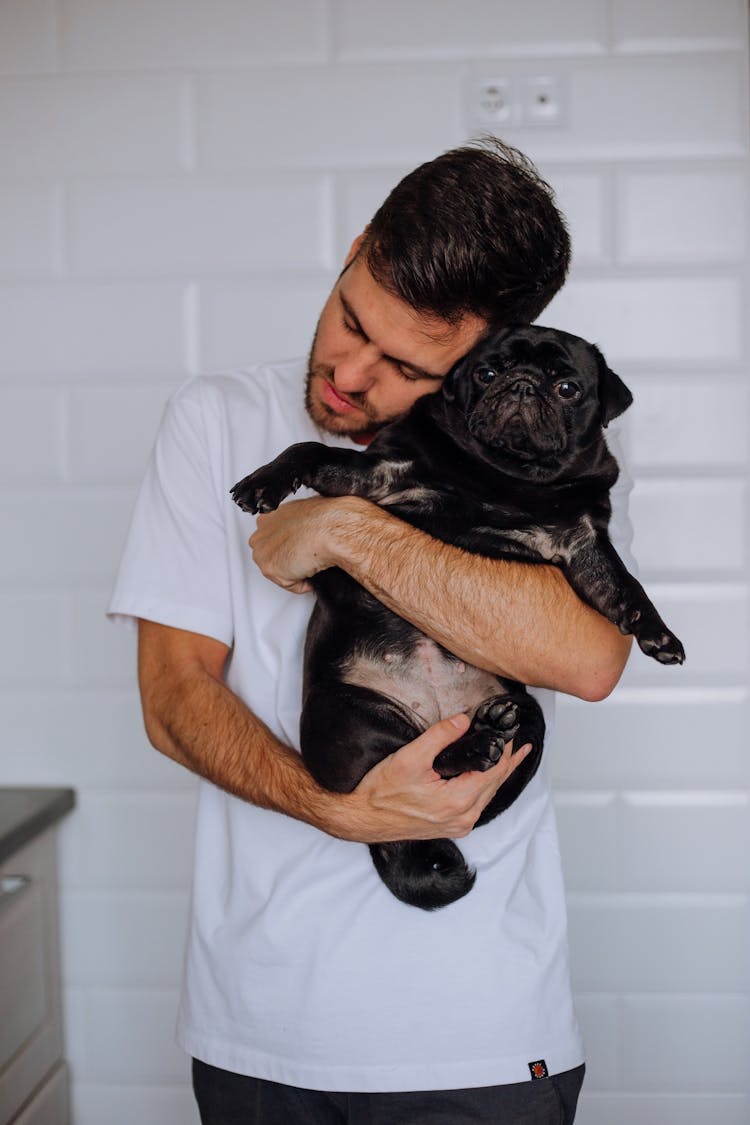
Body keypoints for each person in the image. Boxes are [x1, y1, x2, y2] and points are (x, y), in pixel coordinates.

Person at [109, 138, 633, 1124]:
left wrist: (350, 528)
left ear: (481, 360)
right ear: (357, 249)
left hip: (484, 1026)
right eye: (351, 319)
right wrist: (334, 809)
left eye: (405, 367)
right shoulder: (216, 419)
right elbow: (173, 695)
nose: (349, 375)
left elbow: (589, 655)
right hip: (258, 1026)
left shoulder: (549, 451)